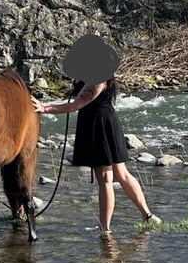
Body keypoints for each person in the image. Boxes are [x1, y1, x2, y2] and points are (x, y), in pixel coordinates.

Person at [31, 34, 162, 235]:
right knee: (121, 174)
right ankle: (148, 216)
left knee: (106, 179)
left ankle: (105, 229)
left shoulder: (97, 79)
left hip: (100, 127)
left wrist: (45, 108)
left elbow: (75, 105)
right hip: (105, 123)